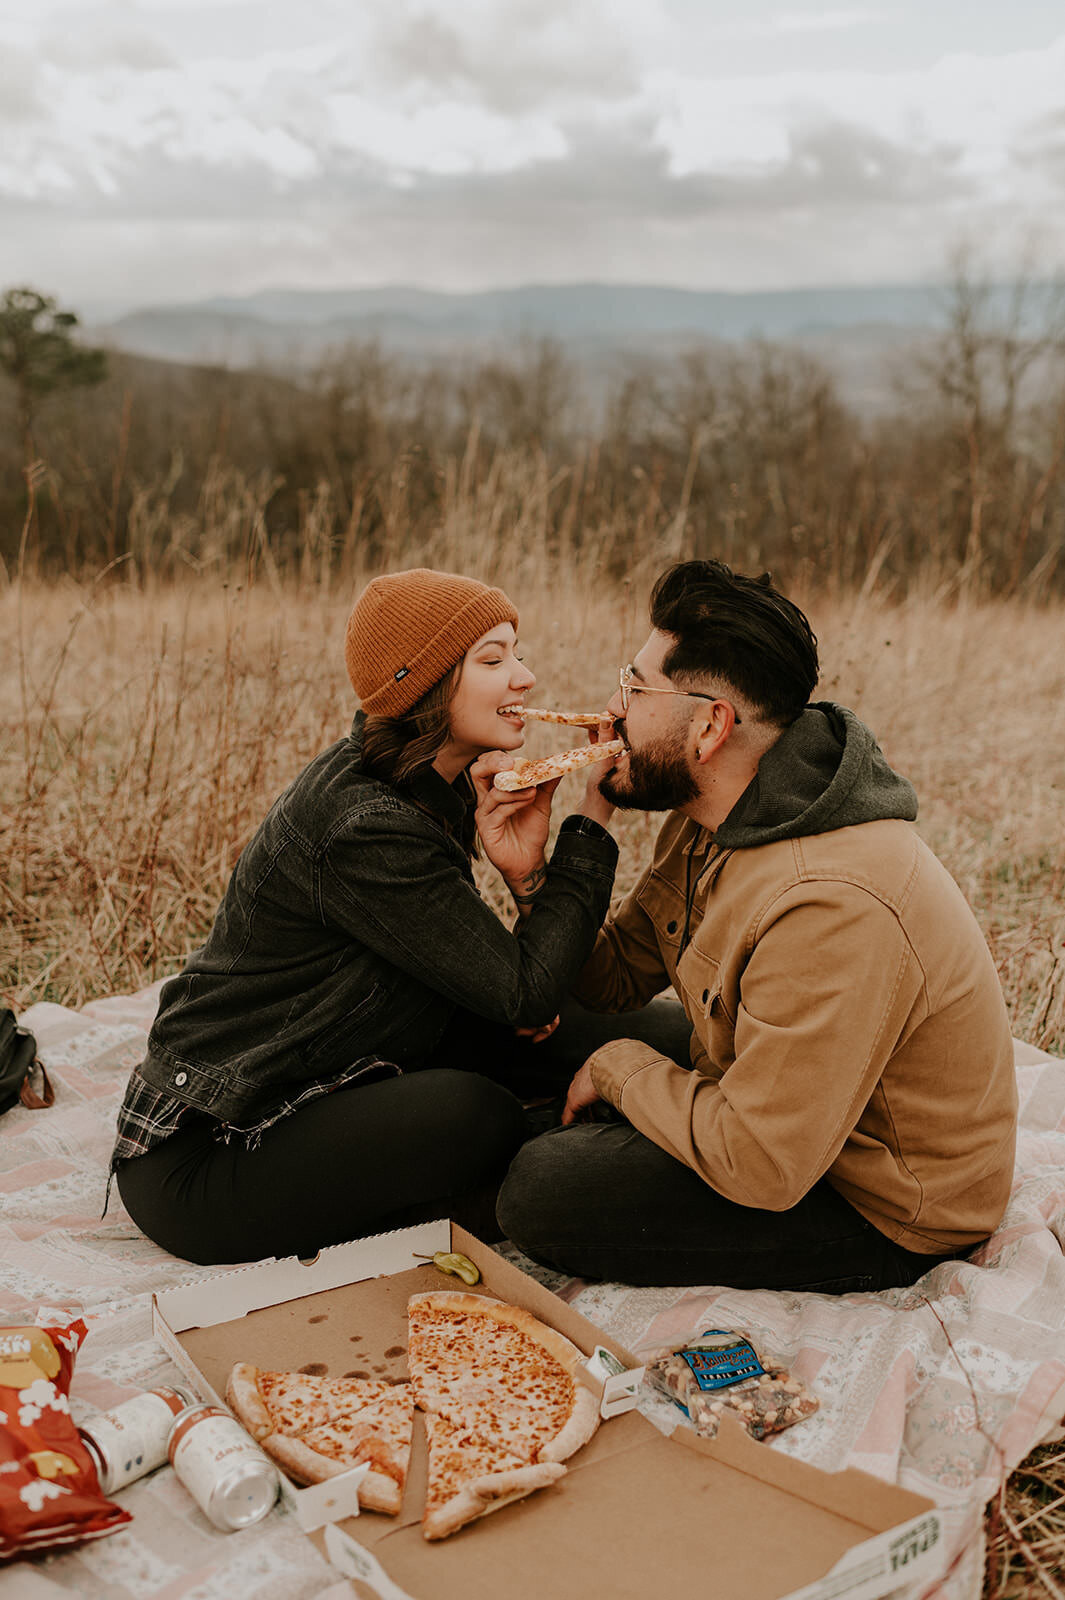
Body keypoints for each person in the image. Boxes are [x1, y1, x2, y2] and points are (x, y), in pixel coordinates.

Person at [497, 560, 1019, 1292]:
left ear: (709, 726)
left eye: (634, 689)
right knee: (533, 1025)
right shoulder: (716, 815)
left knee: (540, 1189)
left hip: (876, 1205)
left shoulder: (830, 900)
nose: (610, 710)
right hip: (773, 1103)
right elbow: (603, 980)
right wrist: (539, 867)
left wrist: (621, 1073)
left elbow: (763, 1164)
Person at [109, 567, 646, 1265]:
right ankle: (510, 1187)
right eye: (493, 660)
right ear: (420, 687)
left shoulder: (429, 782)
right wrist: (594, 814)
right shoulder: (364, 824)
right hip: (213, 1151)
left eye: (515, 653)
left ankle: (551, 1148)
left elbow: (509, 988)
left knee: (635, 1037)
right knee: (473, 1113)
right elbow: (525, 991)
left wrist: (524, 874)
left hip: (356, 1059)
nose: (525, 678)